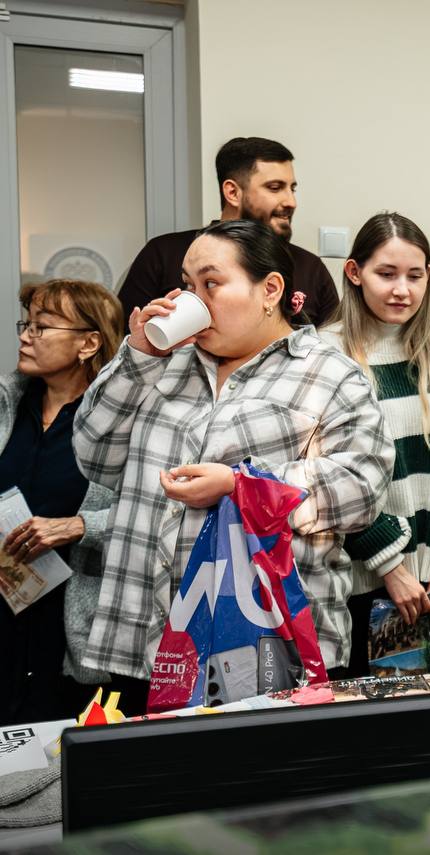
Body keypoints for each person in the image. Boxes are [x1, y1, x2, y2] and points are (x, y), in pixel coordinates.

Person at [73, 219, 393, 713]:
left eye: (211, 284)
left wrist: (241, 486)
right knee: (154, 786)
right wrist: (136, 356)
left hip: (269, 648)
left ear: (269, 290)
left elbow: (364, 486)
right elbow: (93, 455)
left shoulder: (329, 374)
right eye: (187, 285)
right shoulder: (160, 363)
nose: (191, 299)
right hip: (146, 643)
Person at [321, 212, 430, 676]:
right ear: (354, 273)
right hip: (360, 579)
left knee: (425, 716)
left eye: (415, 276)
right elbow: (329, 481)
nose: (402, 290)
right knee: (362, 720)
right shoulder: (324, 353)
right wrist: (390, 565)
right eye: (386, 274)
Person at [0, 280, 120, 725]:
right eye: (25, 324)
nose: (26, 336)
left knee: (56, 763)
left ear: (89, 343)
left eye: (42, 327)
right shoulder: (8, 404)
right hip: (6, 611)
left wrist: (79, 525)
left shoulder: (117, 424)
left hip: (72, 622)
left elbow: (156, 514)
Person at [117, 137, 339, 327]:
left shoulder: (310, 268)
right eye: (274, 188)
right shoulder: (164, 254)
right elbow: (124, 342)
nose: (291, 201)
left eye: (292, 189)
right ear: (232, 192)